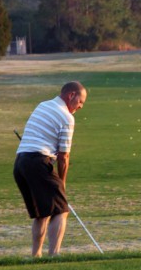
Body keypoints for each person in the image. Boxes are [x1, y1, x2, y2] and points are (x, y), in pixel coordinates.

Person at [13, 81, 87, 257]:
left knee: (42, 213)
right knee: (61, 210)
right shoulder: (67, 117)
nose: (81, 106)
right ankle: (54, 255)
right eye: (80, 102)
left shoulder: (43, 105)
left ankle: (36, 256)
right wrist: (62, 184)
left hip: (20, 163)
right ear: (71, 96)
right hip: (38, 162)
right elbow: (64, 157)